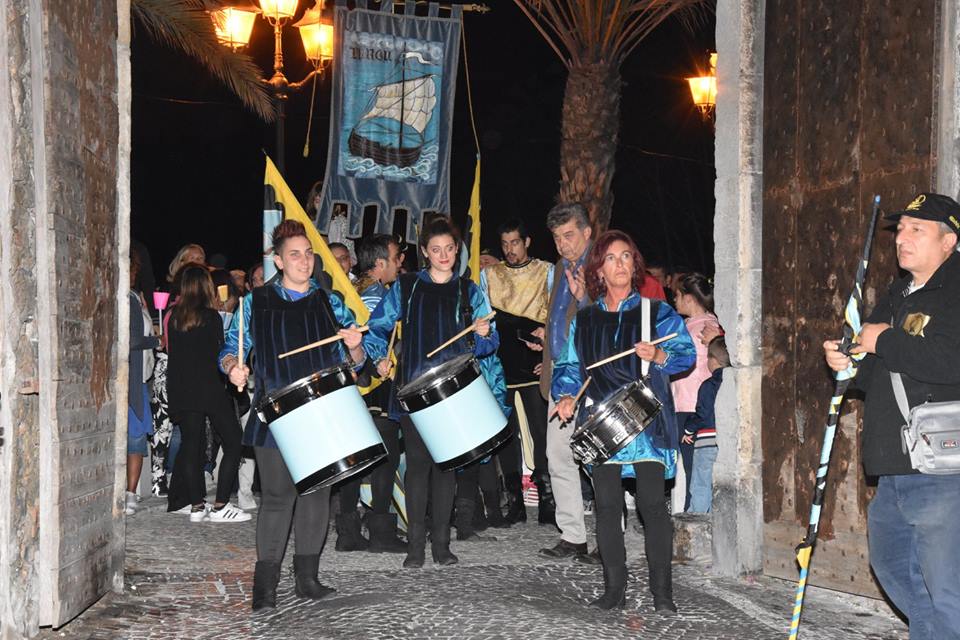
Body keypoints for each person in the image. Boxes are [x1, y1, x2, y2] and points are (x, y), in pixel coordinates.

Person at [823, 192, 960, 640]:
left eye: (916, 229)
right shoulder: (898, 293)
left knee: (944, 591)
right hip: (894, 467)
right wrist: (848, 363)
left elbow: (949, 360)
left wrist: (883, 342)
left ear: (949, 240)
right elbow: (876, 372)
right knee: (894, 565)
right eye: (900, 229)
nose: (902, 237)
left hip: (943, 469)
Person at [221, 220, 366, 610]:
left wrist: (355, 348)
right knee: (277, 497)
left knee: (317, 494)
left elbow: (354, 364)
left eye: (307, 254)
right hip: (276, 413)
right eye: (294, 255)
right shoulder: (257, 302)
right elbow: (231, 348)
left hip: (322, 411)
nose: (304, 261)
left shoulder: (329, 302)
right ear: (279, 261)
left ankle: (308, 578)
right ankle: (264, 587)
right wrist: (234, 366)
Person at [554, 230, 695, 612]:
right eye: (611, 258)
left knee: (652, 504)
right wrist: (565, 396)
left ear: (635, 265)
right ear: (599, 268)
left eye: (626, 257)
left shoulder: (657, 313)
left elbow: (685, 354)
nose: (620, 264)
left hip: (647, 420)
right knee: (607, 507)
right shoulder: (584, 321)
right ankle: (614, 590)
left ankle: (662, 593)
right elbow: (570, 368)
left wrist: (662, 357)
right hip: (603, 422)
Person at [364, 216, 508, 568]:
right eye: (436, 250)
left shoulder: (468, 290)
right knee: (417, 467)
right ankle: (416, 546)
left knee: (446, 468)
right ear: (425, 253)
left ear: (456, 250)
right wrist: (379, 358)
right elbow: (376, 328)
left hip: (455, 393)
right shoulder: (408, 285)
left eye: (449, 249)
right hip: (414, 391)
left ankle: (441, 544)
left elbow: (488, 346)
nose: (443, 255)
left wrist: (485, 332)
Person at [333, 234, 407, 554]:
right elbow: (371, 336)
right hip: (372, 383)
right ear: (380, 264)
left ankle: (348, 532)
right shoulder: (376, 295)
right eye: (395, 258)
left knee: (356, 456)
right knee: (384, 457)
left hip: (352, 385)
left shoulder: (354, 290)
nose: (399, 263)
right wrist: (380, 360)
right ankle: (380, 531)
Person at [480, 218, 556, 526]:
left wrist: (549, 352)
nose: (510, 249)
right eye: (505, 244)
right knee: (506, 433)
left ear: (527, 242)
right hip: (501, 362)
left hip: (534, 358)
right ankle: (515, 500)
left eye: (515, 242)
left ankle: (548, 499)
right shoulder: (488, 275)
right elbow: (483, 317)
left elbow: (557, 316)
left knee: (541, 430)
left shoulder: (547, 271)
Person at [536, 202, 599, 563]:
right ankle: (573, 536)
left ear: (587, 232)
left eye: (569, 235)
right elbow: (560, 316)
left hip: (591, 379)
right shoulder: (560, 267)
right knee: (559, 456)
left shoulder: (604, 263)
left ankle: (609, 540)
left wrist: (585, 298)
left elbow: (611, 317)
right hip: (559, 377)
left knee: (601, 461)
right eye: (557, 238)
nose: (563, 244)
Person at [165, 265, 249, 524]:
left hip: (181, 388)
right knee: (234, 440)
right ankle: (221, 504)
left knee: (192, 445)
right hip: (208, 388)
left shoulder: (174, 317)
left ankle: (196, 506)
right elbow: (217, 352)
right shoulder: (211, 317)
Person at [670, 273, 721, 510]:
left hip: (690, 406)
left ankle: (695, 516)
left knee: (693, 466)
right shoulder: (707, 324)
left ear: (689, 298)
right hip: (693, 404)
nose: (674, 301)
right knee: (693, 465)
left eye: (677, 296)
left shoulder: (699, 329)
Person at [127, 252, 160, 515]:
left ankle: (129, 494)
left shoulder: (135, 298)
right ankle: (129, 495)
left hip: (137, 375)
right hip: (132, 377)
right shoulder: (128, 299)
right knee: (136, 437)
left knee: (134, 437)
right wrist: (157, 341)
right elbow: (134, 341)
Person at [682, 336, 728, 513]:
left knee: (701, 483)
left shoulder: (708, 385)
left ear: (712, 360)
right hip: (724, 441)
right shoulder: (731, 382)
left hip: (706, 442)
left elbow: (703, 412)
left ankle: (698, 521)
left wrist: (688, 428)